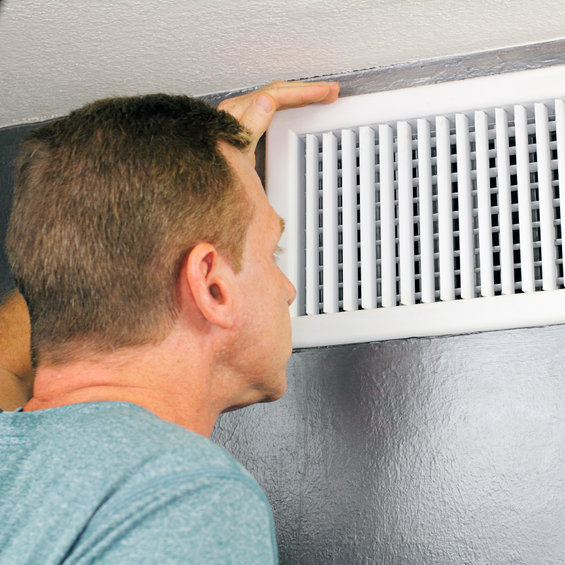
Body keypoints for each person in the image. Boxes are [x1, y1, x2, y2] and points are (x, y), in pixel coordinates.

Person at [0, 80, 339, 563]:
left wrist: (188, 200)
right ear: (212, 286)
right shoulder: (188, 492)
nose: (288, 288)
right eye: (271, 252)